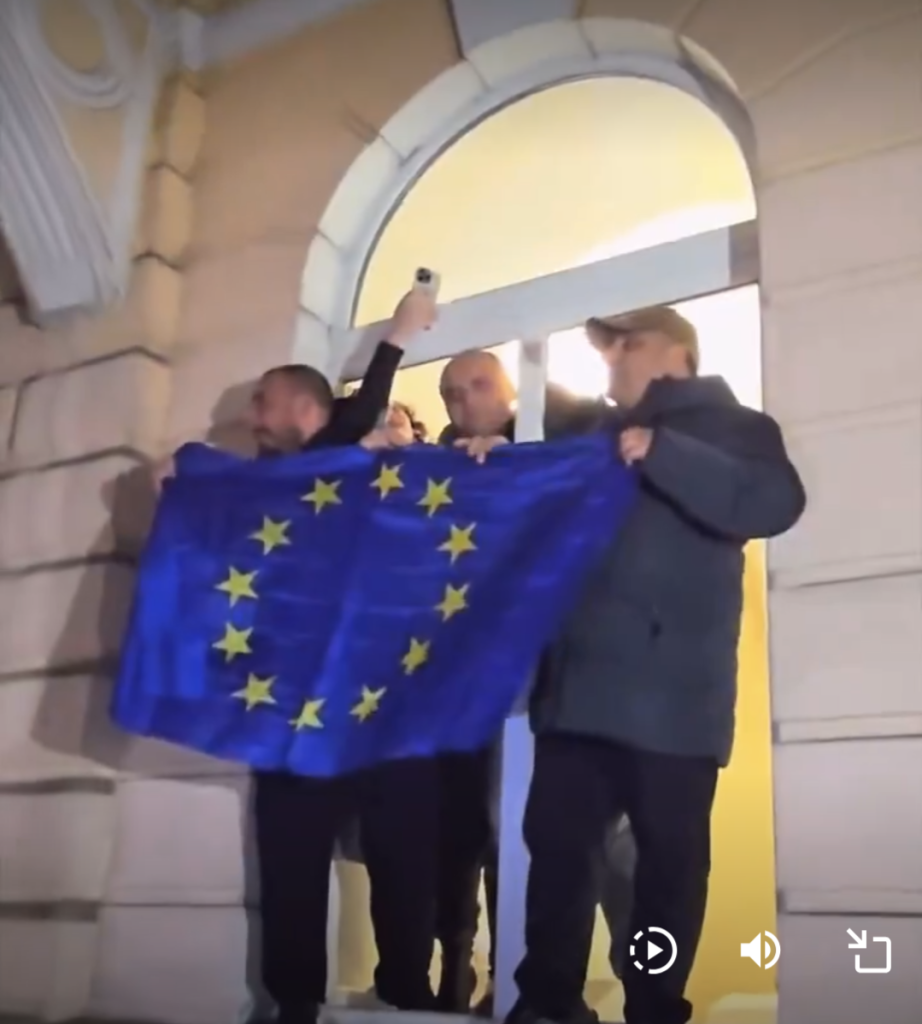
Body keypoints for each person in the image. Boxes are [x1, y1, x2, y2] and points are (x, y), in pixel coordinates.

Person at [459, 307, 806, 1024]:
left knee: (664, 877)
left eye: (629, 342)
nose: (613, 356)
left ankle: (652, 1005)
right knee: (557, 858)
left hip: (674, 706)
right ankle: (549, 1003)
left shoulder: (736, 428)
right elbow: (529, 484)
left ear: (677, 353)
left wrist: (664, 451)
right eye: (607, 345)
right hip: (575, 697)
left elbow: (774, 502)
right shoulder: (587, 433)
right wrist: (487, 464)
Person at [153, 290, 438, 1024]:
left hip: (374, 701)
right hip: (289, 703)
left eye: (262, 402)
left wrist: (399, 337)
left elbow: (344, 433)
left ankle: (409, 993)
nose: (252, 418)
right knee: (292, 858)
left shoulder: (353, 456)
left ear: (306, 408)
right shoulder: (270, 482)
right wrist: (184, 486)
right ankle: (297, 1004)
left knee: (401, 853)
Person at [432, 352, 616, 1016]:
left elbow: (602, 438)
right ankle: (509, 980)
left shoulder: (562, 427)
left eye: (478, 385)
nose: (464, 401)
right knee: (499, 828)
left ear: (513, 386)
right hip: (492, 681)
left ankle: (597, 991)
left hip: (581, 670)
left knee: (594, 839)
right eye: (451, 393)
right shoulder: (445, 469)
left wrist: (516, 445)